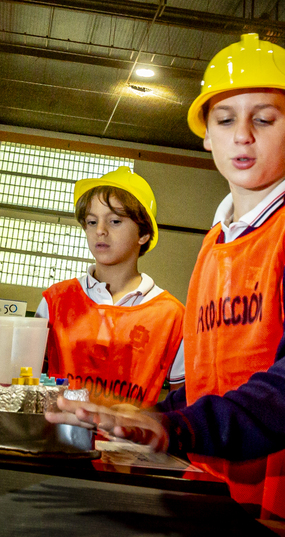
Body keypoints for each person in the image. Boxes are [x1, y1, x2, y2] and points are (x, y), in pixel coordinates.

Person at [49, 34, 285, 525]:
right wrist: (137, 415)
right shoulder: (215, 243)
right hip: (217, 491)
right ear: (206, 135)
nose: (243, 135)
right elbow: (208, 383)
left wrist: (176, 427)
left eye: (263, 119)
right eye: (225, 120)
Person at [38, 166, 184, 407]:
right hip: (56, 441)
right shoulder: (55, 301)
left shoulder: (172, 316)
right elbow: (27, 380)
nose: (100, 231)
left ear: (144, 234)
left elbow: (182, 402)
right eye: (92, 221)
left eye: (115, 221)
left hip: (128, 444)